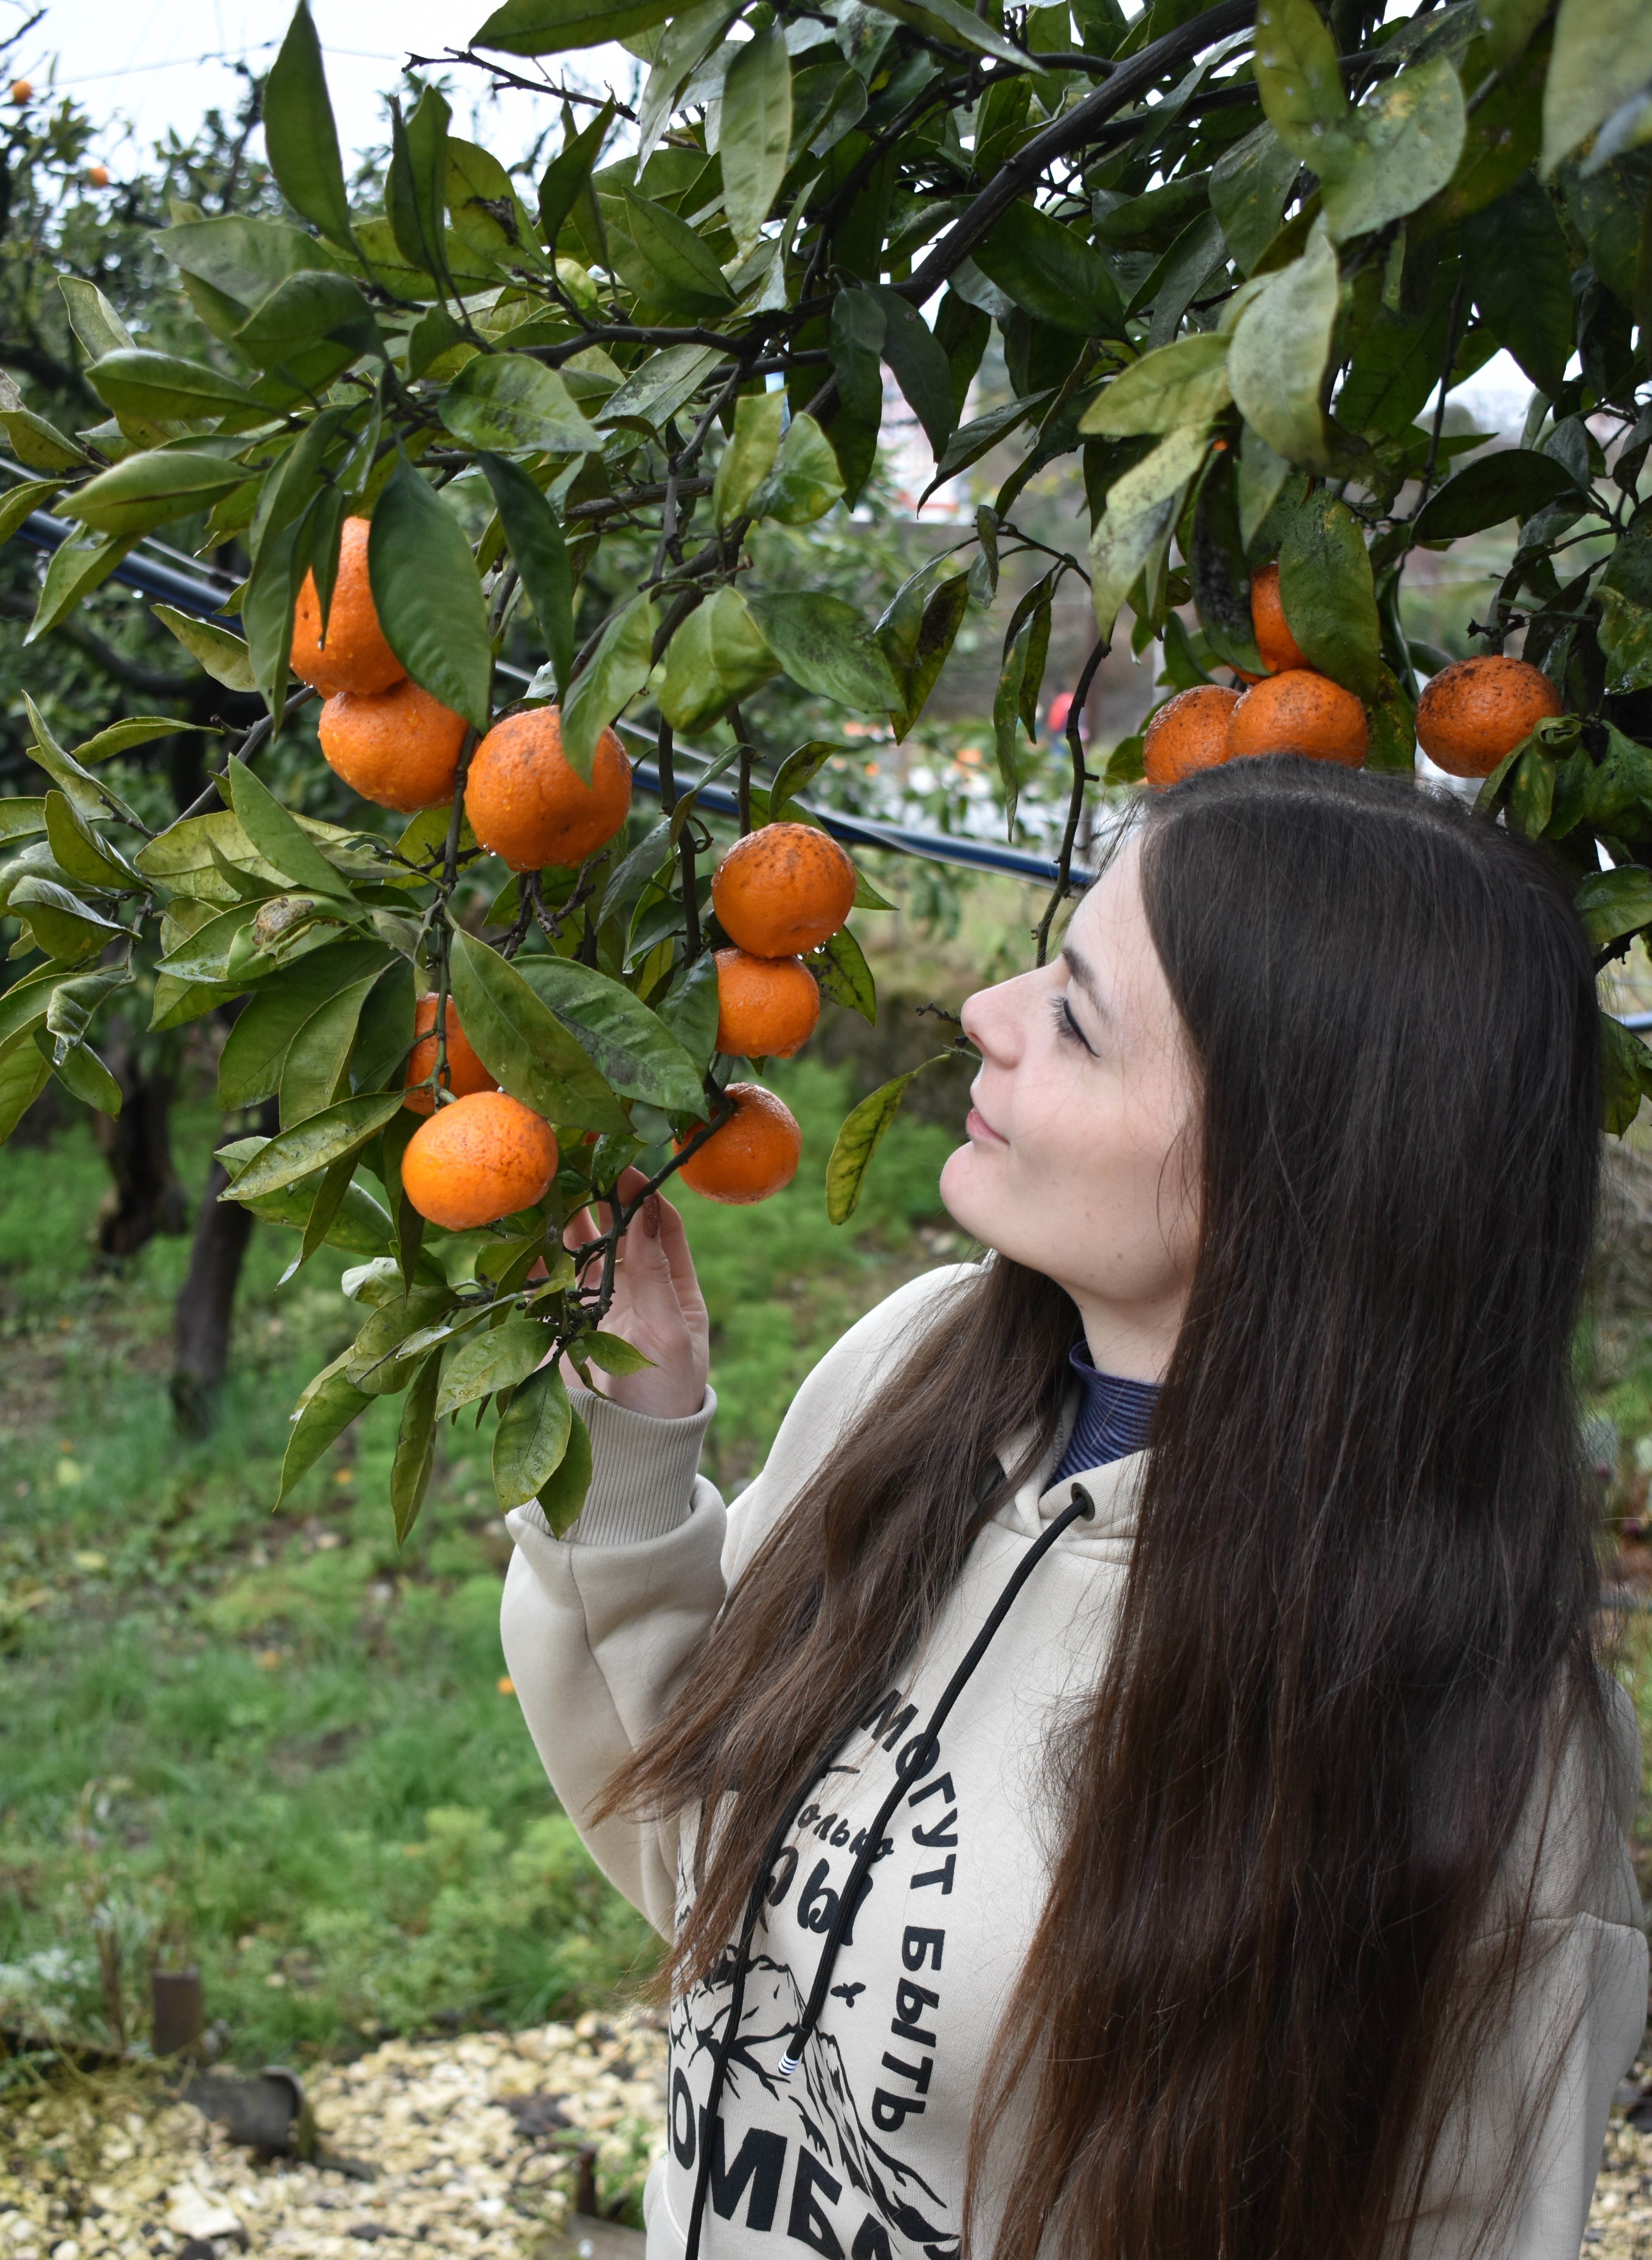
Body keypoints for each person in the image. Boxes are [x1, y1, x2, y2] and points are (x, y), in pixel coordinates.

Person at [501, 755, 1646, 2260]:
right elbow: (729, 1888)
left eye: (1078, 1017)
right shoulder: (925, 1377)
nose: (984, 1011)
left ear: (1287, 1171)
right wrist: (636, 1462)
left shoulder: (1476, 1761)